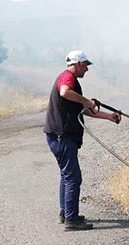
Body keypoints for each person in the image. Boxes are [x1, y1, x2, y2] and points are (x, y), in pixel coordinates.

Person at [44, 50, 121, 231]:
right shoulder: (68, 78)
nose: (87, 69)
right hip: (62, 136)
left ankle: (66, 213)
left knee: (66, 175)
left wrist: (108, 116)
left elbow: (83, 110)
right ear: (78, 64)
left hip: (58, 135)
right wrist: (87, 101)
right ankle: (72, 220)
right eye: (86, 65)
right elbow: (64, 92)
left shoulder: (71, 81)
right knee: (73, 177)